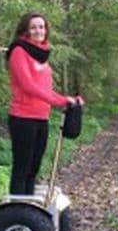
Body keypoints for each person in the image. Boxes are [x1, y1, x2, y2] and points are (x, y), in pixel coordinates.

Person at [6, 12, 82, 195]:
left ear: (46, 30)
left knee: (34, 169)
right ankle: (17, 214)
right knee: (22, 168)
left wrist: (69, 99)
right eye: (33, 27)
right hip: (23, 118)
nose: (38, 30)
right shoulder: (19, 51)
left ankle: (30, 215)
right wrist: (59, 101)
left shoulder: (41, 56)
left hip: (42, 118)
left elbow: (45, 89)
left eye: (41, 27)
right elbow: (28, 85)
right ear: (25, 30)